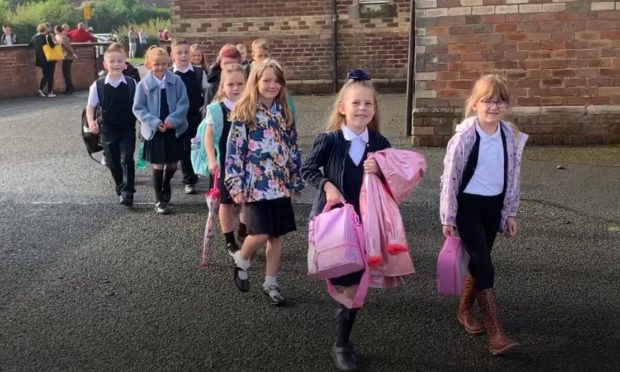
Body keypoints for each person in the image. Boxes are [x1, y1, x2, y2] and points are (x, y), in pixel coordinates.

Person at [300, 69, 389, 371]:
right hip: (335, 222)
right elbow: (308, 169)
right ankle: (342, 339)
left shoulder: (380, 143)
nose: (362, 109)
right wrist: (326, 185)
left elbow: (396, 180)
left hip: (367, 222)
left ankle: (342, 340)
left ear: (374, 109)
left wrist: (383, 170)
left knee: (354, 279)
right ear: (342, 108)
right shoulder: (330, 140)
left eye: (368, 104)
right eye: (356, 103)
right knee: (347, 277)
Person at [440, 74, 528, 356]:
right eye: (487, 100)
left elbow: (513, 176)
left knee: (480, 264)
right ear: (475, 104)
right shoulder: (463, 138)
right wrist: (448, 217)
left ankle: (464, 310)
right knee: (484, 264)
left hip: (493, 208)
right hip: (467, 207)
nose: (494, 106)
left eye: (500, 101)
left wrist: (510, 213)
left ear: (507, 106)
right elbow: (450, 179)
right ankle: (496, 335)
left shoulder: (510, 135)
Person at [226, 59, 303, 306]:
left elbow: (292, 148)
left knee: (277, 236)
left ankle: (271, 282)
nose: (272, 85)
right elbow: (233, 152)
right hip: (256, 185)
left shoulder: (285, 113)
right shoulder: (244, 113)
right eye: (266, 80)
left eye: (276, 81)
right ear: (256, 82)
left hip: (280, 184)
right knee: (260, 233)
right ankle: (242, 258)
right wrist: (234, 184)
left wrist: (295, 177)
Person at [133, 46, 189, 214]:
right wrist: (155, 122)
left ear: (168, 63)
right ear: (149, 64)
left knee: (172, 164)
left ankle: (166, 184)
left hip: (173, 128)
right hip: (155, 130)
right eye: (156, 64)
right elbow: (138, 108)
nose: (160, 67)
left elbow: (183, 103)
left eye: (164, 64)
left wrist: (173, 120)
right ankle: (159, 199)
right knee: (159, 164)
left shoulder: (177, 81)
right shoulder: (143, 84)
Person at [203, 63, 247, 255]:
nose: (236, 88)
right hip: (225, 164)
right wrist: (212, 160)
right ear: (223, 87)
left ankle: (244, 231)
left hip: (248, 163)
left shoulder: (250, 107)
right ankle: (229, 240)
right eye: (231, 85)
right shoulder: (216, 109)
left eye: (240, 84)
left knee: (247, 200)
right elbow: (209, 137)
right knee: (226, 202)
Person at [85, 43, 137, 206]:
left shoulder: (131, 83)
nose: (116, 64)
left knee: (127, 159)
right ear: (105, 64)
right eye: (112, 61)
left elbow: (138, 106)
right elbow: (91, 106)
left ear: (125, 63)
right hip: (107, 129)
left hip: (127, 128)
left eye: (119, 61)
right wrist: (91, 121)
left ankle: (128, 192)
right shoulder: (98, 85)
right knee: (113, 162)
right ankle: (120, 185)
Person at [171, 39, 207, 194]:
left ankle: (195, 171)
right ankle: (189, 180)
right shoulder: (170, 75)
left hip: (195, 116)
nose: (183, 55)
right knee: (184, 148)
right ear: (172, 55)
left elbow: (206, 91)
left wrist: (205, 105)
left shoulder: (199, 73)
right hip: (178, 118)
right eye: (179, 52)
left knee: (196, 146)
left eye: (186, 52)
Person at [28, 23, 57, 98]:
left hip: (40, 59)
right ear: (46, 29)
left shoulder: (34, 37)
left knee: (46, 75)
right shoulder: (47, 36)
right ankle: (50, 92)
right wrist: (56, 42)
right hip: (49, 58)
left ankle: (41, 89)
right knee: (50, 75)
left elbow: (30, 44)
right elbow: (53, 46)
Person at [55, 24, 77, 94]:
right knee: (66, 73)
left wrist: (73, 53)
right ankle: (69, 88)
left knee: (66, 73)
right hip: (65, 56)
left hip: (67, 56)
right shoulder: (62, 37)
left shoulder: (62, 37)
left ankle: (70, 88)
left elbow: (67, 46)